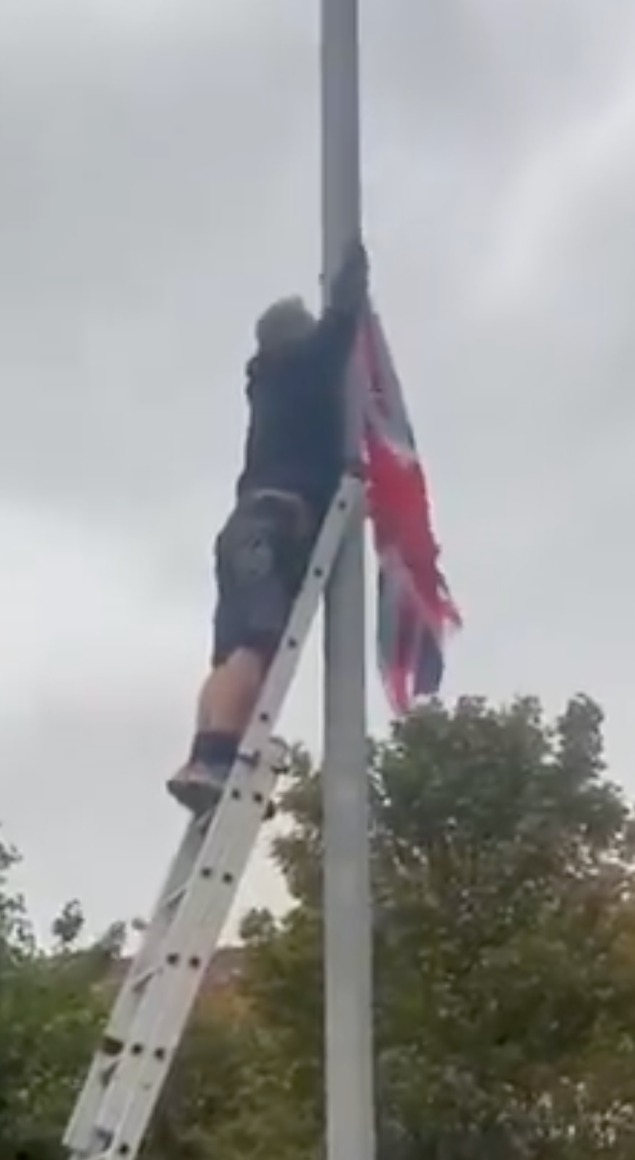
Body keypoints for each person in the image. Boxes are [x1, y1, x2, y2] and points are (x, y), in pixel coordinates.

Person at [167, 239, 370, 815]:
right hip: (276, 523)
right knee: (256, 646)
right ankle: (212, 758)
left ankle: (205, 753)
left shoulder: (268, 382)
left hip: (245, 527)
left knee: (231, 654)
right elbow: (338, 330)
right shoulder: (298, 368)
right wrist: (353, 278)